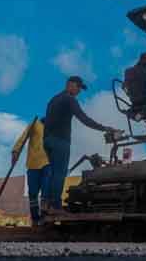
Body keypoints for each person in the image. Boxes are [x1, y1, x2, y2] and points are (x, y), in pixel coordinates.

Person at [44, 76, 117, 210]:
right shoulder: (69, 99)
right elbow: (84, 119)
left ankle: (46, 204)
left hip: (48, 140)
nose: (78, 91)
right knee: (59, 174)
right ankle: (55, 207)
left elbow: (46, 120)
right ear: (69, 84)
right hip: (61, 141)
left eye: (80, 88)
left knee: (52, 173)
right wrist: (104, 128)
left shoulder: (53, 100)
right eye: (78, 87)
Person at [12, 117, 50, 226]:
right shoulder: (35, 124)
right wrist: (16, 151)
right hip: (33, 165)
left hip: (48, 164)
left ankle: (44, 218)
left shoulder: (54, 129)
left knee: (46, 192)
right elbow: (23, 137)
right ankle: (35, 219)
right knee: (32, 194)